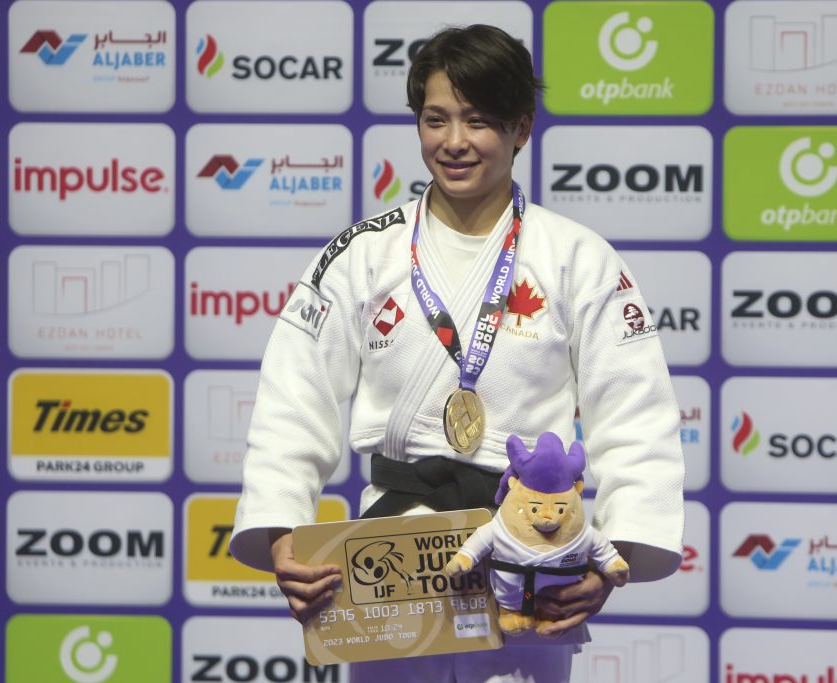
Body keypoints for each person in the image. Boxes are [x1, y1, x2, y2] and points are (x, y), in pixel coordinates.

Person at [230, 24, 685, 683]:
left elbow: (635, 415)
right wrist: (282, 532)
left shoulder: (576, 258)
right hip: (389, 563)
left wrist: (603, 561)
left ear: (521, 128)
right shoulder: (364, 254)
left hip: (529, 560)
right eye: (435, 119)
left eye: (478, 120)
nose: (453, 142)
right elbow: (291, 400)